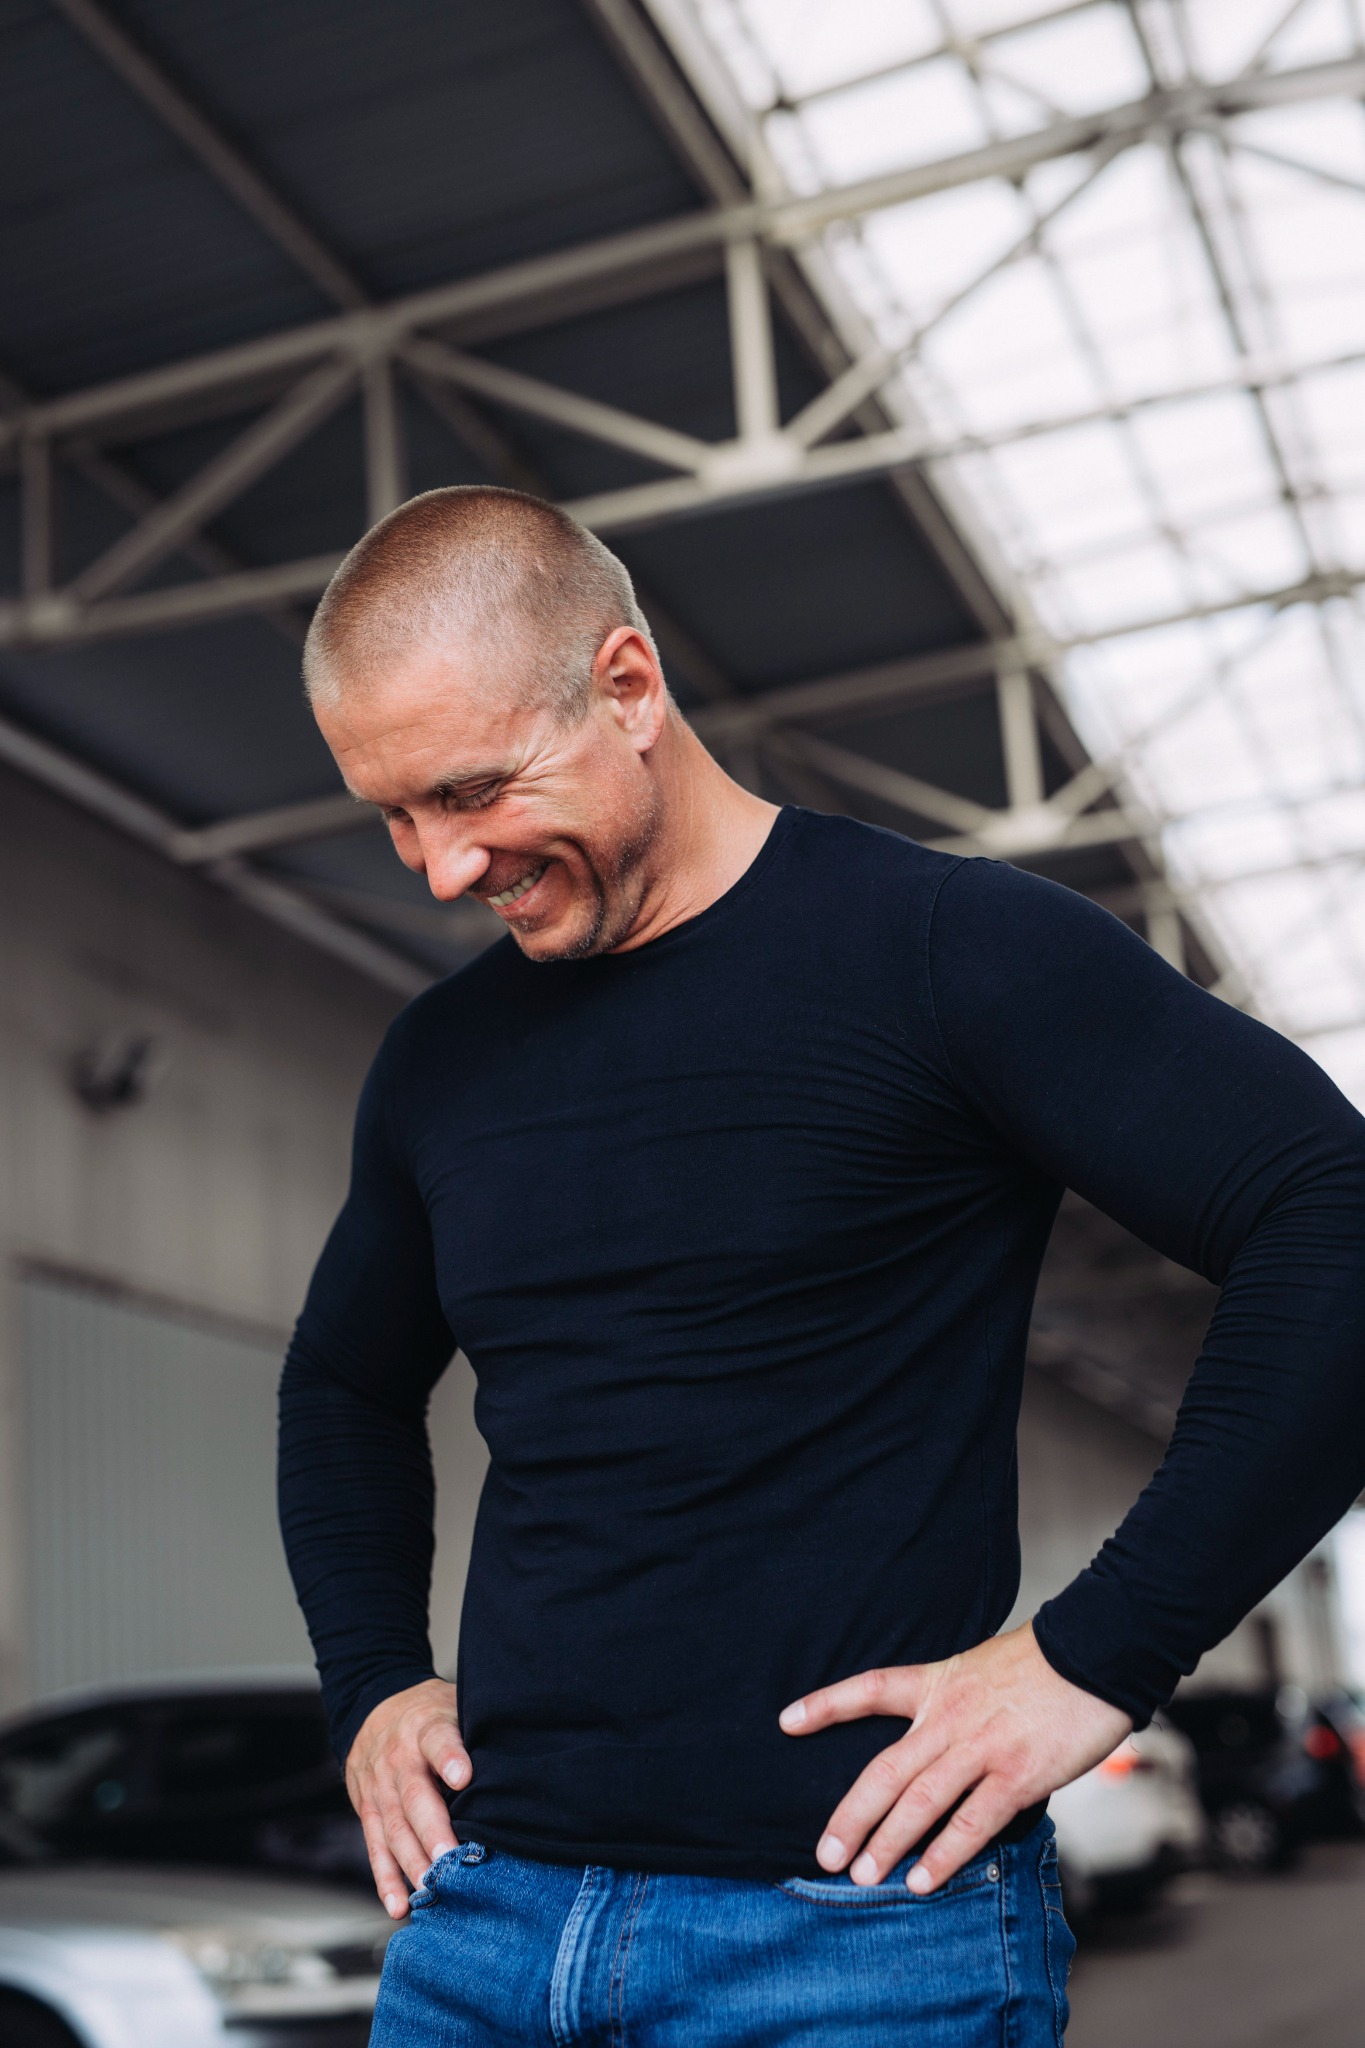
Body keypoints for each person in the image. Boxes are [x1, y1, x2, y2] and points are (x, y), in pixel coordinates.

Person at [278, 485, 1365, 2046]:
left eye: (471, 791)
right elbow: (340, 1387)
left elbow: (1329, 1212)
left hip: (854, 1947)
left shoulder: (941, 949)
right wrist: (373, 1684)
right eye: (392, 814)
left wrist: (1097, 1654)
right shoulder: (440, 1060)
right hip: (487, 1930)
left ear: (629, 687)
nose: (442, 869)